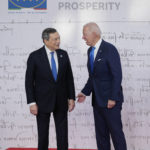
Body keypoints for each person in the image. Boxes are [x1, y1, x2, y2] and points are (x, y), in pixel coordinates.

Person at [77, 22, 127, 150]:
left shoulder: (109, 49)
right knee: (101, 136)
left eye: (85, 34)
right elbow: (93, 77)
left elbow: (117, 75)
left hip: (111, 101)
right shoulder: (90, 51)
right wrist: (84, 92)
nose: (83, 37)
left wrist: (113, 98)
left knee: (116, 134)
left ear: (94, 33)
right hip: (97, 102)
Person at [25, 28, 75, 150]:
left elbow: (69, 78)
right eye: (55, 39)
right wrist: (32, 103)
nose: (58, 41)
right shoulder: (34, 56)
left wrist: (71, 98)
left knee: (63, 135)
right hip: (41, 102)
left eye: (59, 38)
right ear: (45, 40)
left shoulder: (64, 54)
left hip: (61, 101)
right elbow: (29, 82)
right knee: (43, 135)